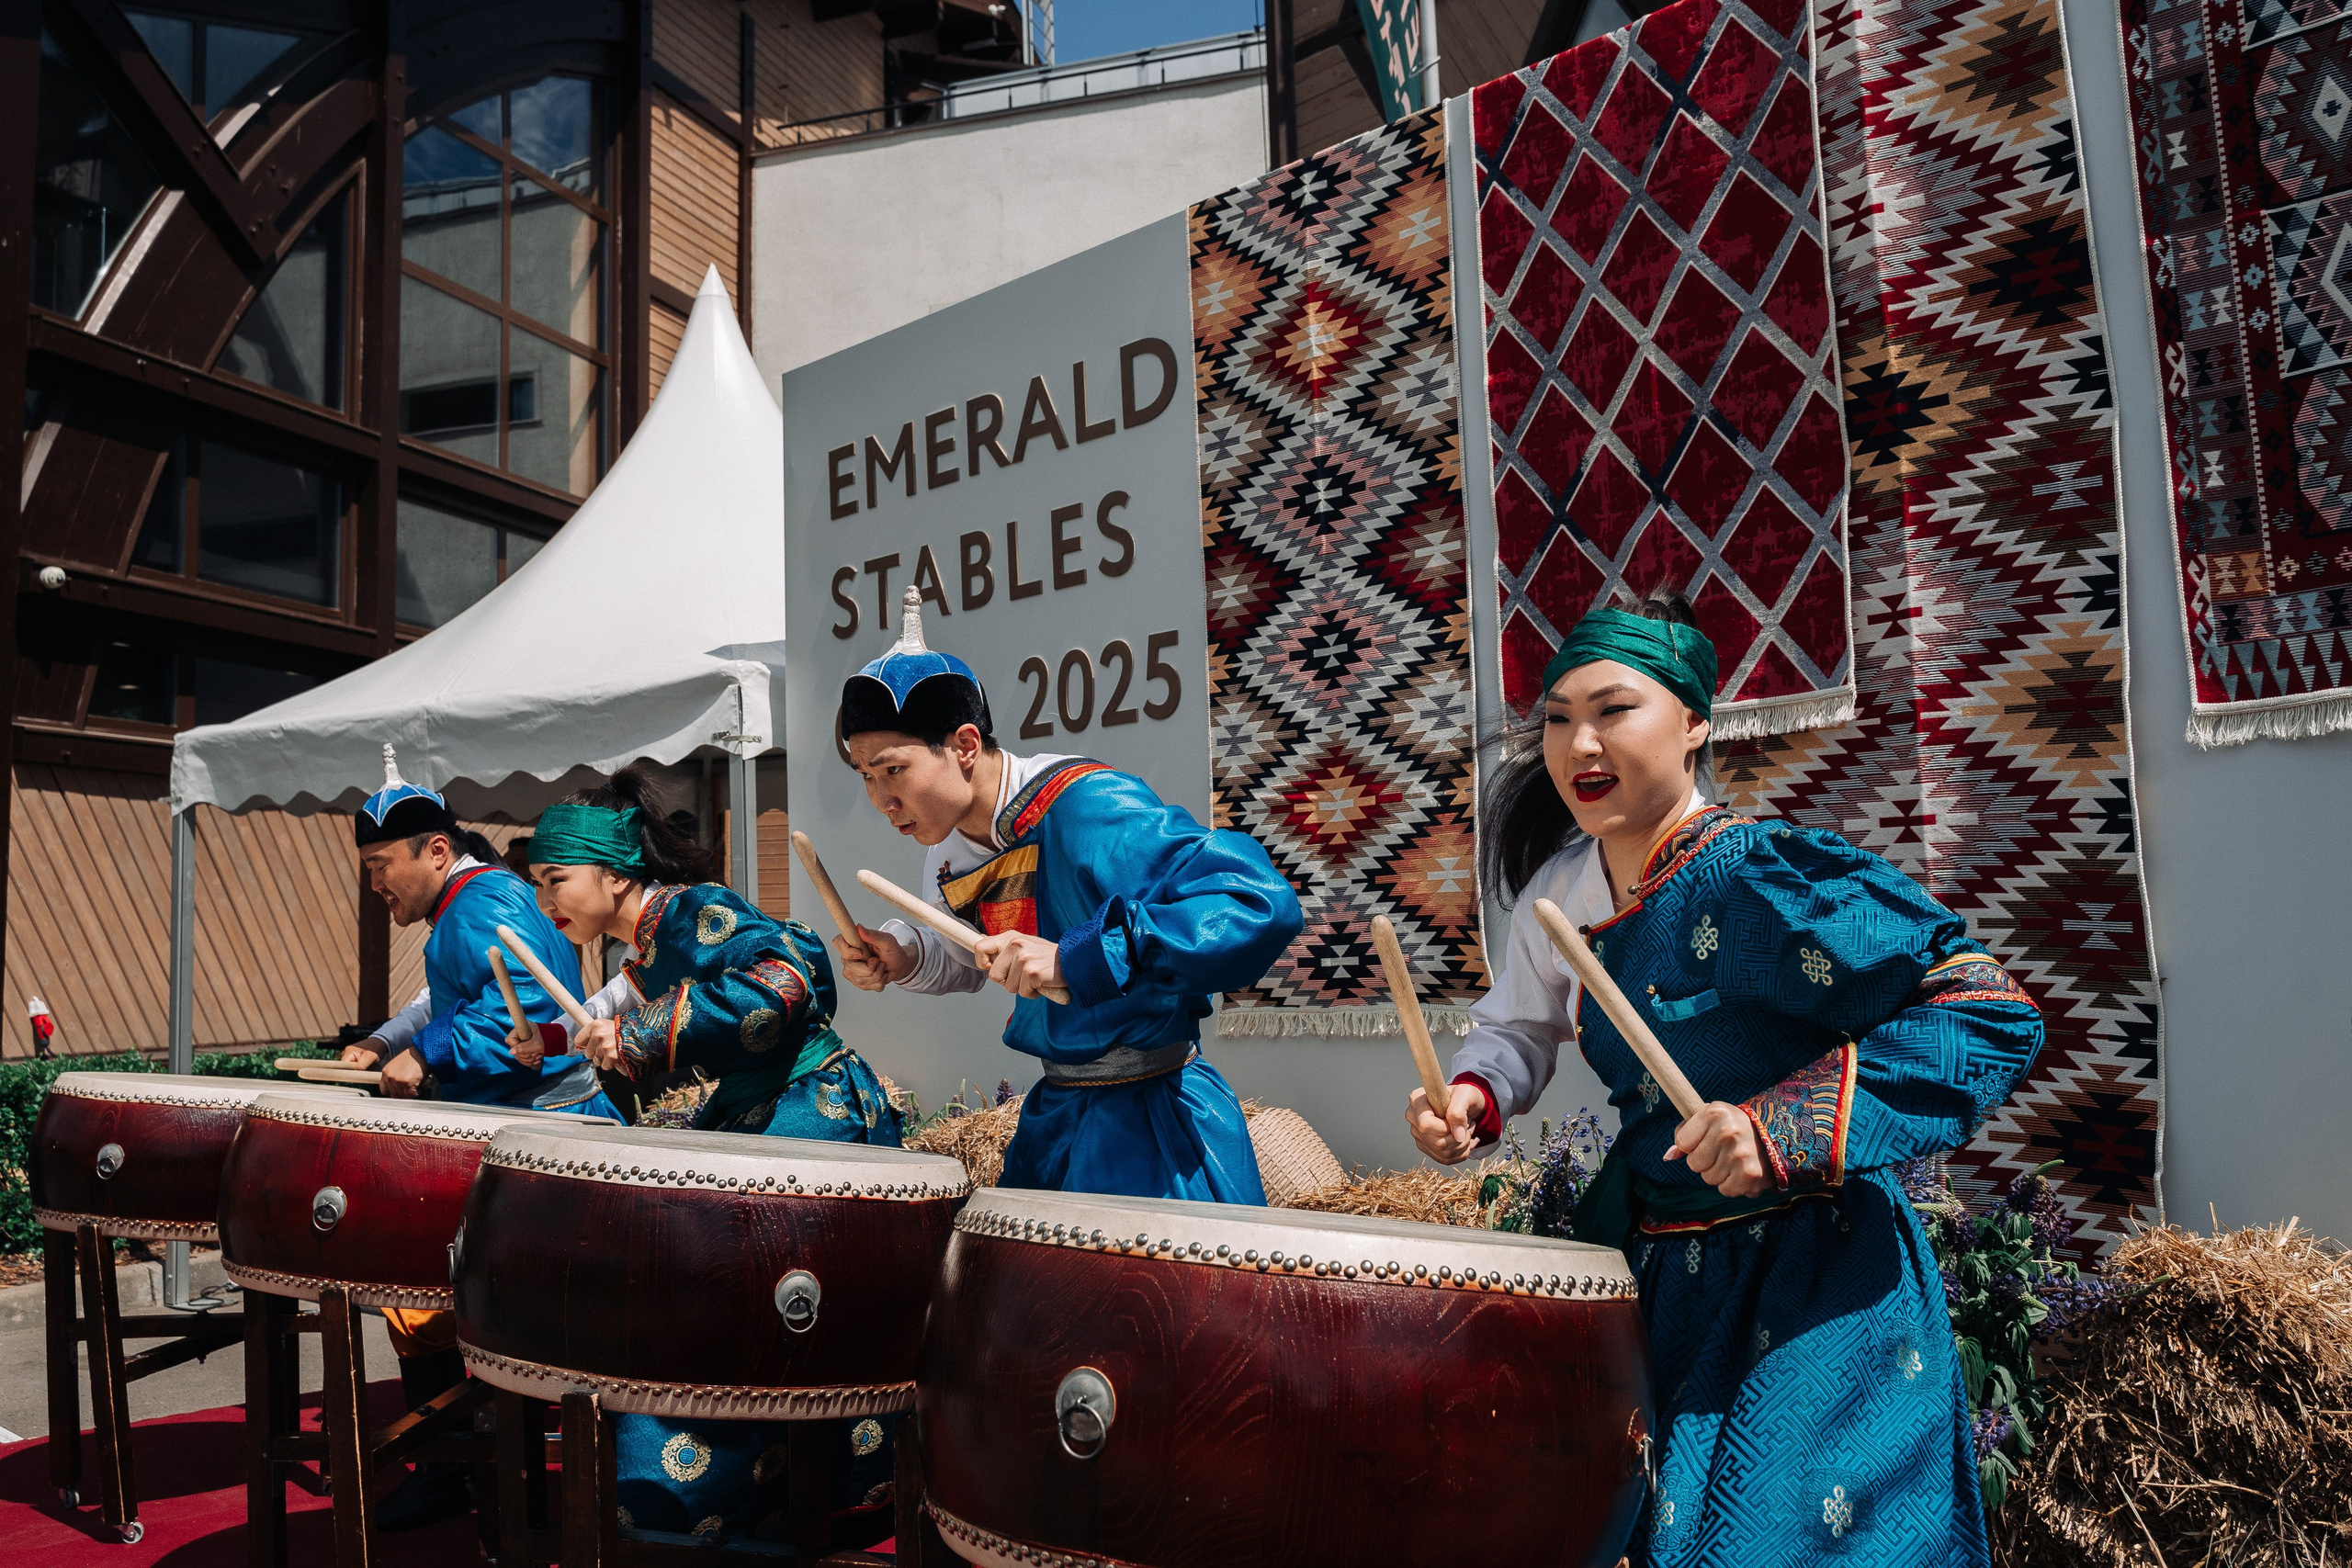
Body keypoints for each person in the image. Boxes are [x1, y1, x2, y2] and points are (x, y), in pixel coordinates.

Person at [1407, 594, 2044, 1568]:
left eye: (1614, 710)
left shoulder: (1760, 876)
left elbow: (1983, 1005)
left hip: (1815, 1273)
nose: (1579, 742)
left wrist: (1778, 1128)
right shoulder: (1558, 893)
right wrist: (1471, 1099)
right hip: (1662, 1267)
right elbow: (1515, 1029)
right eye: (1558, 718)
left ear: (1695, 723)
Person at [524, 767, 900, 1544]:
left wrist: (634, 1036)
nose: (546, 901)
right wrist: (556, 1039)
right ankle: (735, 1491)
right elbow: (619, 1012)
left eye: (555, 880)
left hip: (813, 1117)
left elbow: (785, 980)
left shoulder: (694, 909)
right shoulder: (647, 944)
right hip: (764, 1118)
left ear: (612, 870)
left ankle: (727, 1492)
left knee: (745, 1310)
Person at [836, 588, 1301, 1203]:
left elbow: (1257, 901)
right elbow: (970, 954)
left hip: (1155, 1132)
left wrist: (1075, 958)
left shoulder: (1086, 805)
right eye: (866, 776)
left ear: (966, 746)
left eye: (893, 770)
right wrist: (905, 953)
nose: (881, 800)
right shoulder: (947, 848)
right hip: (1055, 1122)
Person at [337, 745, 618, 1530]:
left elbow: (517, 1020)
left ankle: (471, 1468)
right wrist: (390, 1040)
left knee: (482, 1305)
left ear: (436, 850)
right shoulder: (470, 905)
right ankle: (453, 1460)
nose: (375, 882)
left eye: (381, 863)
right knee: (433, 1302)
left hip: (547, 1138)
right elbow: (449, 997)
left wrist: (423, 1053)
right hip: (529, 1132)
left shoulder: (482, 905)